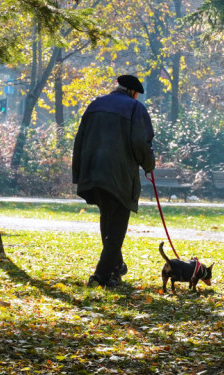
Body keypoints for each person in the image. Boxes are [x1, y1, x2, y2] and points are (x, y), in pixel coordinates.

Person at [72, 75, 156, 288]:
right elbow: (141, 142)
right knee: (117, 227)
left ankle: (116, 267)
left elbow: (80, 138)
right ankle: (100, 276)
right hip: (119, 175)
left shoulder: (95, 104)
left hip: (93, 172)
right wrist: (149, 165)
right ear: (133, 93)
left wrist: (79, 171)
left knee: (108, 220)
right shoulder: (134, 108)